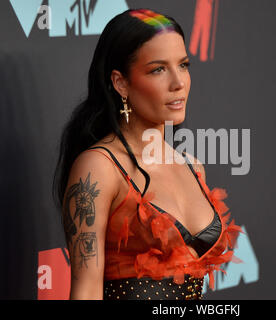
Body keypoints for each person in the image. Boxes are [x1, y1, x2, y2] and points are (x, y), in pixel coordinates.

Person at [53, 8, 243, 300]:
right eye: (158, 69)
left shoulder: (192, 166)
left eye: (183, 65)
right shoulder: (98, 168)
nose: (178, 82)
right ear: (121, 83)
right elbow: (86, 291)